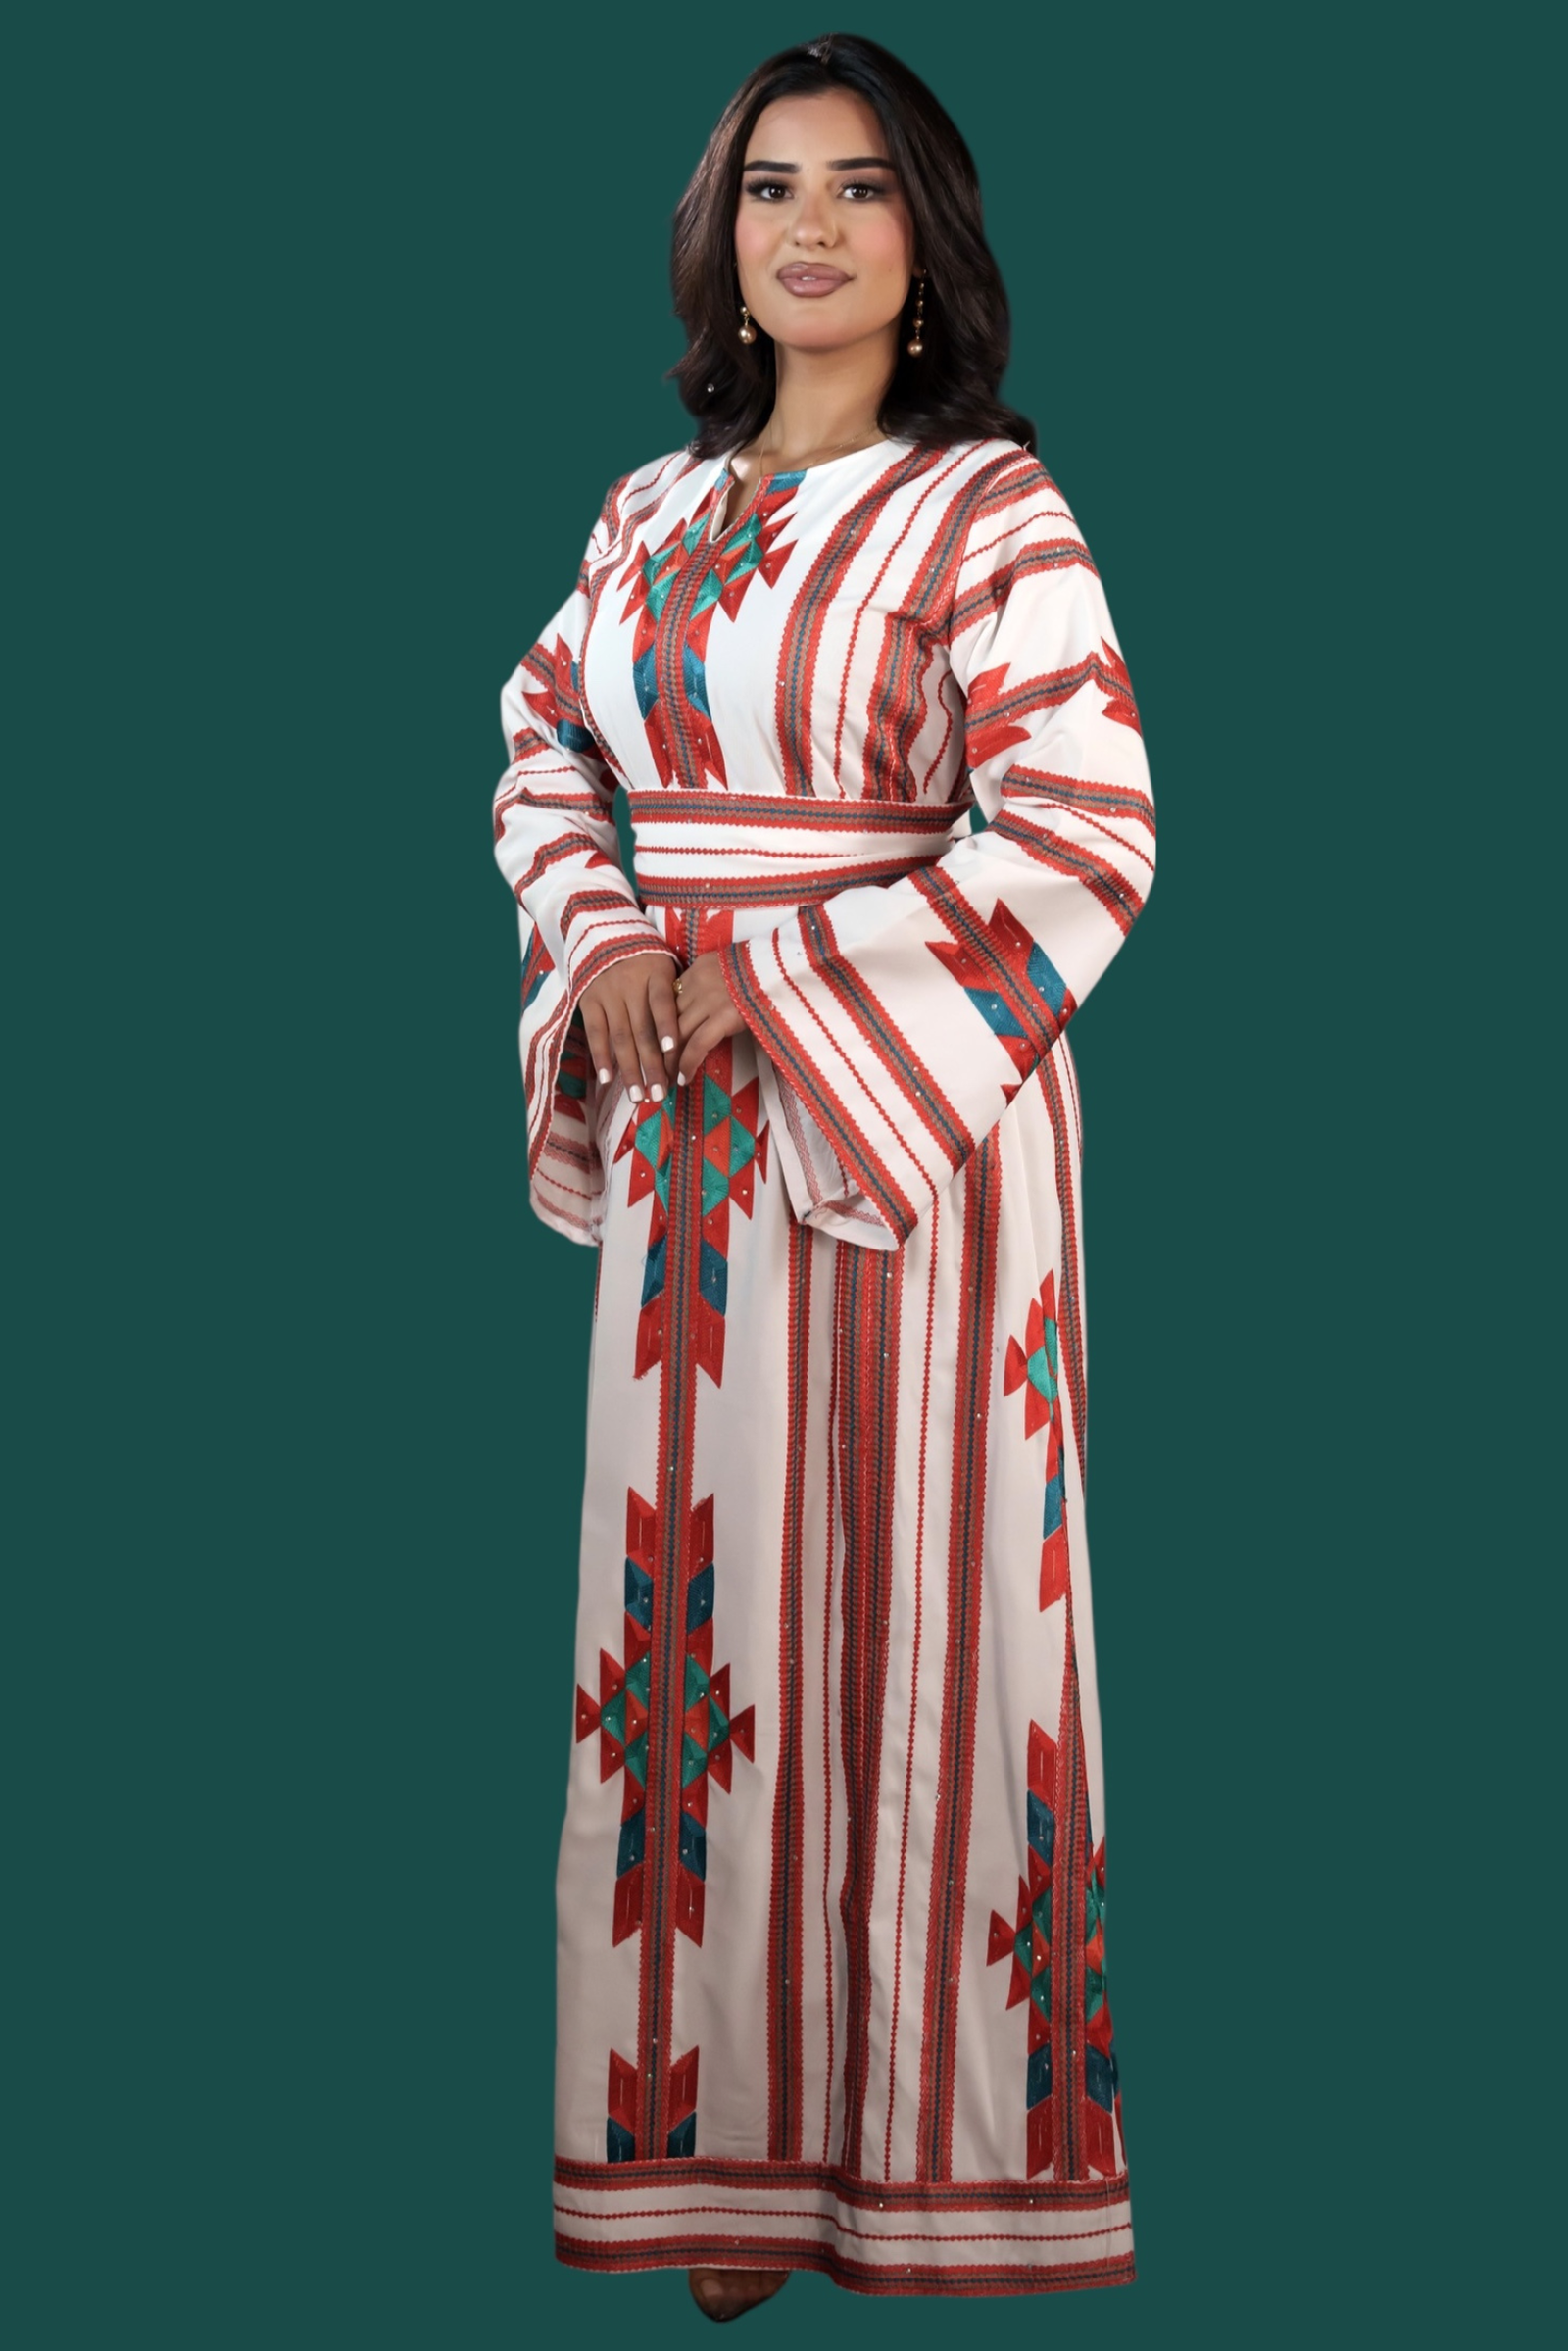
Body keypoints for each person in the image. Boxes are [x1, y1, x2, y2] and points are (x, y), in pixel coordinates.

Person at [492, 30, 1155, 2315]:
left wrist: (761, 971)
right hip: (685, 1141)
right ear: (718, 236)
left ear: (927, 238)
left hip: (912, 1131)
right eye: (769, 185)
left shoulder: (992, 515)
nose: (809, 226)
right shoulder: (643, 516)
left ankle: (935, 2165)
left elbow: (1081, 827)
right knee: (697, 1629)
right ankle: (723, 2166)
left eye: (860, 187)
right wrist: (602, 943)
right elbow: (542, 745)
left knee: (924, 1603)